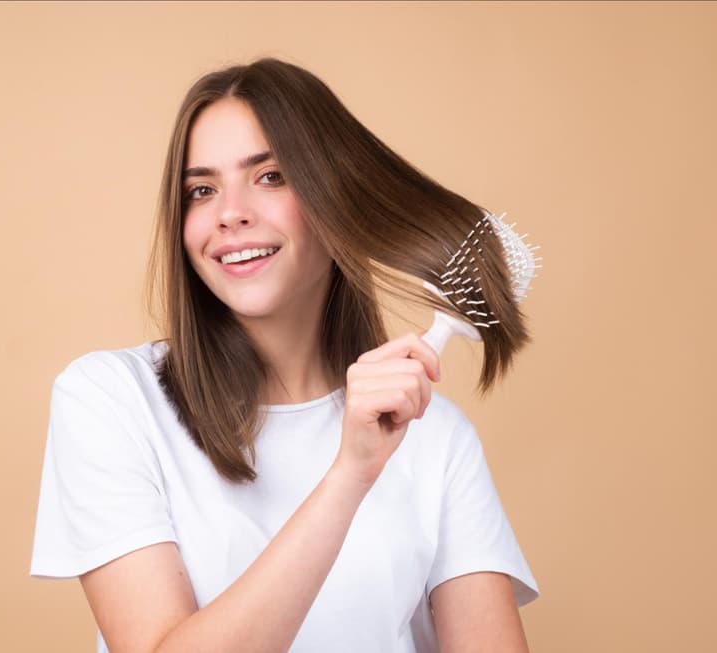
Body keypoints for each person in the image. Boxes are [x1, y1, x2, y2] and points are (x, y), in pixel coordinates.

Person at [30, 58, 539, 653]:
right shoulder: (111, 400)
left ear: (337, 197)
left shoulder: (437, 438)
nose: (230, 213)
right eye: (202, 190)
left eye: (270, 177)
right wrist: (350, 474)